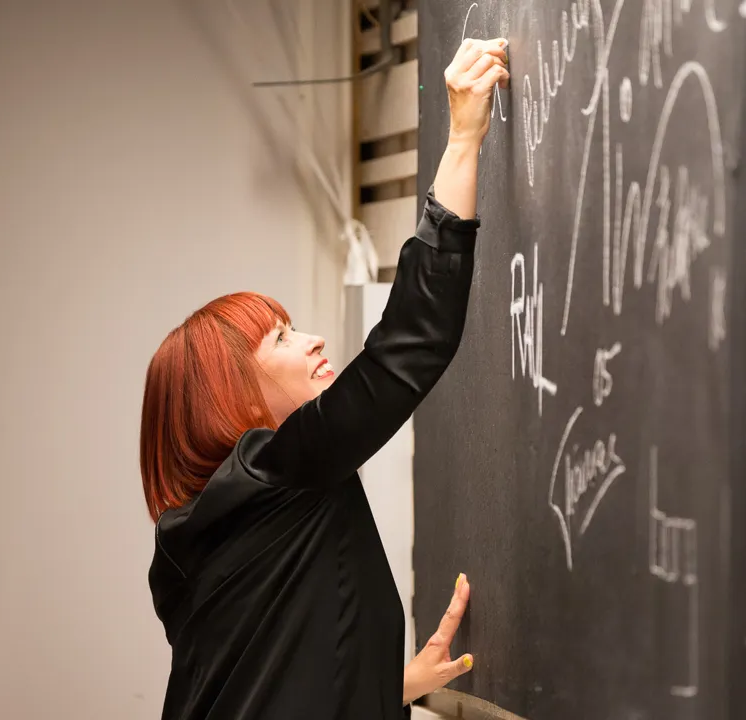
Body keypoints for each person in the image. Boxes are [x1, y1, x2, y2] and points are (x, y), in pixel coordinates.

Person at [137, 36, 511, 720]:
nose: (310, 338)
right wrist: (462, 137)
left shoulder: (188, 547)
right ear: (231, 395)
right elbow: (410, 346)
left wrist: (384, 687)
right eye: (278, 336)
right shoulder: (276, 477)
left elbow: (260, 685)